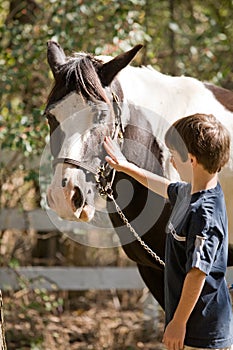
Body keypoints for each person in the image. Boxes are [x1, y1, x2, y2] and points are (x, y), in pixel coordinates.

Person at [103, 113, 233, 350]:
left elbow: (197, 273)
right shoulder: (191, 192)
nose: (171, 161)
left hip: (202, 331)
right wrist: (127, 166)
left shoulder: (204, 214)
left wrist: (179, 323)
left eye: (173, 155)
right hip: (191, 325)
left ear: (191, 160)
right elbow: (164, 187)